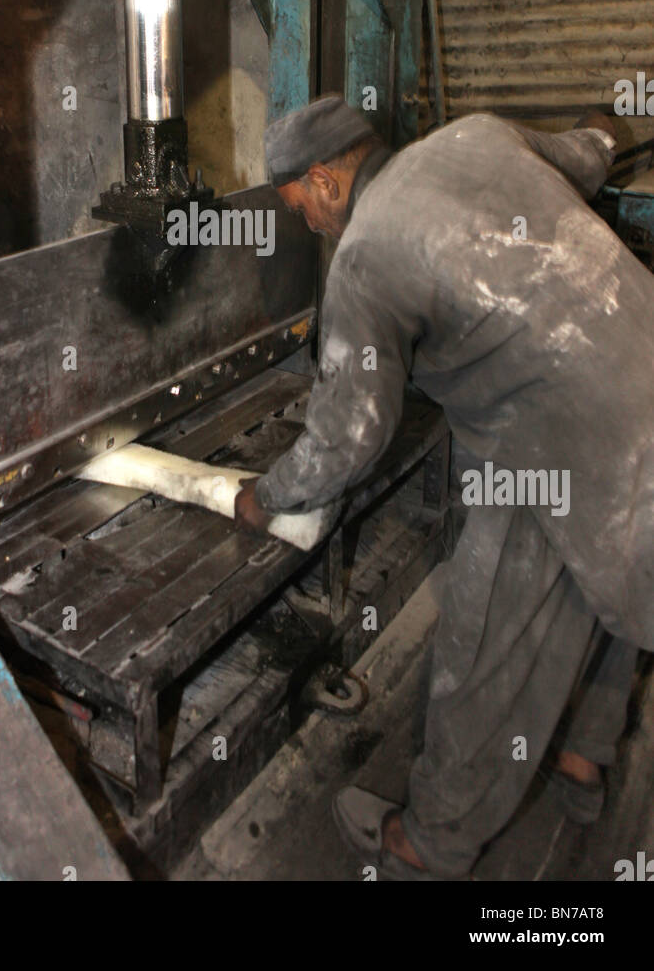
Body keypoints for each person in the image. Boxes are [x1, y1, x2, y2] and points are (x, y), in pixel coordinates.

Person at [233, 95, 654, 880]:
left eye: (302, 210)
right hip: (641, 367)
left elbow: (349, 433)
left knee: (481, 638)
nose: (312, 227)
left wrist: (266, 494)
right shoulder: (478, 136)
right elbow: (591, 158)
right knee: (610, 578)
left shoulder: (364, 253)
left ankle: (428, 844)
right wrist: (602, 121)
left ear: (324, 180)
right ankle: (581, 761)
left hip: (554, 440)